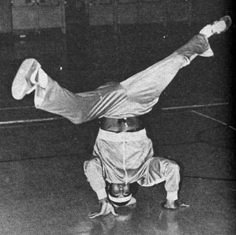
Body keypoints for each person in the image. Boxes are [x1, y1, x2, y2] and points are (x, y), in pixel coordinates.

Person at [11, 16, 232, 218]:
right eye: (125, 192)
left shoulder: (103, 171)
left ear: (109, 188)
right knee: (170, 65)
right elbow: (172, 169)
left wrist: (102, 197)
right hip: (138, 104)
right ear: (132, 190)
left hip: (108, 106)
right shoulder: (145, 175)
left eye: (116, 191)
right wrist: (171, 200)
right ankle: (206, 34)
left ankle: (38, 77)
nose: (121, 188)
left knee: (79, 114)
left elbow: (89, 168)